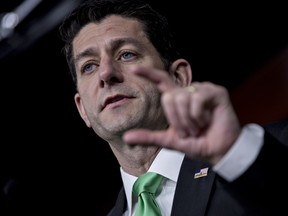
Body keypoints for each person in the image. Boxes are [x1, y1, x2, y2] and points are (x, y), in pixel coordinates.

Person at [58, 0, 288, 215]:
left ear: (178, 77)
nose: (106, 74)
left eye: (126, 54)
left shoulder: (275, 147)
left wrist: (235, 154)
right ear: (82, 110)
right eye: (89, 67)